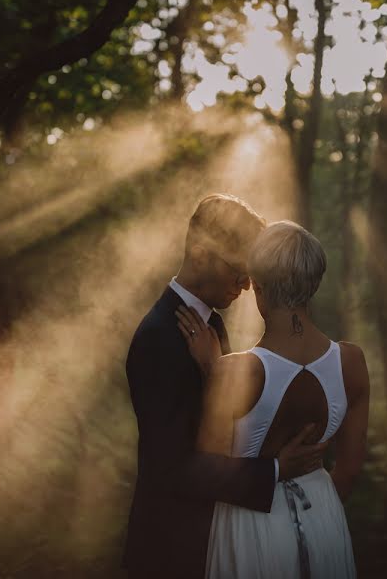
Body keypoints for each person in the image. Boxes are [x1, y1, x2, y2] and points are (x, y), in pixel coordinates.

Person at [123, 195, 327, 579]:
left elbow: (222, 427)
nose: (248, 285)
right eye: (239, 270)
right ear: (201, 253)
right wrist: (276, 469)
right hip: (174, 550)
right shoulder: (159, 337)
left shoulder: (211, 325)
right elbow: (171, 469)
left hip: (216, 541)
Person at [175, 220, 370, 578]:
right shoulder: (352, 362)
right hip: (325, 520)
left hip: (250, 527)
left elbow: (206, 474)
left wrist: (211, 372)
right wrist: (318, 515)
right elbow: (350, 469)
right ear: (313, 284)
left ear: (259, 290)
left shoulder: (235, 372)